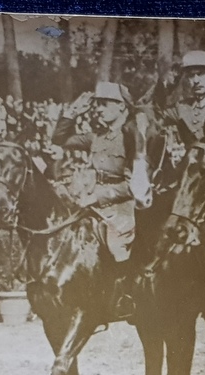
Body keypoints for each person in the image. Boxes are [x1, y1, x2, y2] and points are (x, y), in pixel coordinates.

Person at [51, 81, 140, 320]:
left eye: (104, 104)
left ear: (121, 107)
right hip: (92, 204)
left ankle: (127, 298)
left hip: (122, 206)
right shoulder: (96, 137)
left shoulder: (132, 136)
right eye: (97, 105)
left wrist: (98, 196)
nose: (98, 109)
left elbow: (134, 183)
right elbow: (61, 140)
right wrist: (71, 114)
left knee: (116, 245)